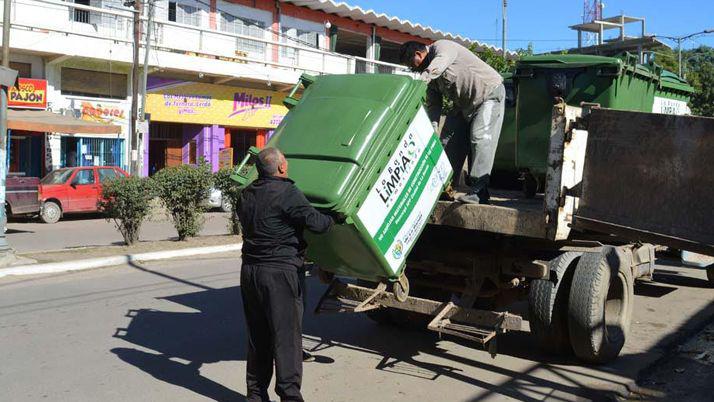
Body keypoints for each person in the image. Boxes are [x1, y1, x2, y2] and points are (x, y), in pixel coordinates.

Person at [238, 147, 334, 402]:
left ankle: (255, 396)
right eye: (286, 162)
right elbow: (318, 224)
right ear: (281, 168)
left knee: (258, 337)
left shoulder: (246, 194)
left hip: (249, 272)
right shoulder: (287, 193)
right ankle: (290, 396)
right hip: (279, 273)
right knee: (287, 338)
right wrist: (332, 218)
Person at [399, 40, 506, 204]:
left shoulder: (442, 48)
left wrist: (418, 83)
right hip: (464, 105)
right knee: (447, 141)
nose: (413, 69)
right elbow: (434, 105)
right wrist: (432, 128)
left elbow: (439, 65)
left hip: (488, 94)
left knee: (480, 138)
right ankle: (445, 187)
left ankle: (479, 190)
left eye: (412, 64)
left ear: (418, 54)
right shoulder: (431, 77)